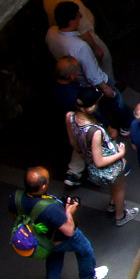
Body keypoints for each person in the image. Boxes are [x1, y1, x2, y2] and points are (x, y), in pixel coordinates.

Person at [8, 167, 107, 279]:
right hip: (60, 238)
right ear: (43, 187)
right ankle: (88, 277)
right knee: (85, 250)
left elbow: (15, 217)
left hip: (41, 239)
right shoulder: (51, 209)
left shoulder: (15, 197)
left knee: (54, 256)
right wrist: (69, 211)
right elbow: (69, 230)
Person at [46, 0, 125, 126]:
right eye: (78, 15)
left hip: (79, 84)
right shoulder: (80, 46)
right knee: (116, 102)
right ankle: (123, 125)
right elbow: (92, 74)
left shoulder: (51, 33)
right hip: (91, 85)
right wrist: (106, 88)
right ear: (71, 21)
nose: (80, 18)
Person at [66, 87, 135, 226]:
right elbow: (99, 161)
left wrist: (83, 155)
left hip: (89, 162)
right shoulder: (95, 131)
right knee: (119, 187)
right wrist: (120, 154)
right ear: (93, 106)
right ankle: (120, 215)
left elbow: (73, 142)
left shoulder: (70, 117)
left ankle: (112, 204)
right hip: (106, 167)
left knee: (114, 185)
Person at [41, 0, 111, 73]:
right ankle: (110, 85)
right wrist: (96, 48)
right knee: (102, 60)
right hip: (82, 39)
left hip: (62, 35)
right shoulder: (74, 4)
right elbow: (85, 33)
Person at [49, 56, 89, 185]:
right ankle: (76, 174)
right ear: (72, 76)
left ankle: (72, 173)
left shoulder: (51, 87)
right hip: (72, 126)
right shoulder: (73, 94)